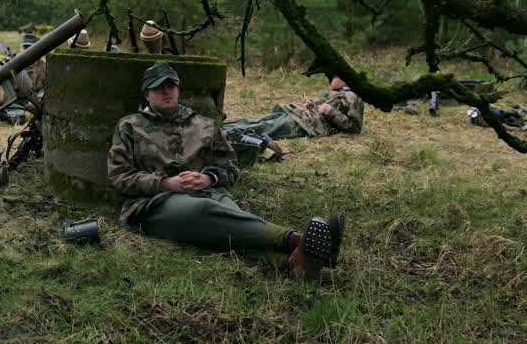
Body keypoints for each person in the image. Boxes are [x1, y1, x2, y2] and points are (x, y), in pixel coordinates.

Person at [107, 61, 345, 278]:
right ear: (146, 94)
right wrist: (166, 183)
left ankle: (293, 265)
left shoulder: (204, 125)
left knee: (227, 228)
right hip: (154, 205)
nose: (165, 91)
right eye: (158, 87)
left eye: (171, 86)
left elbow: (230, 169)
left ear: (179, 89)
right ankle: (295, 239)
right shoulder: (130, 126)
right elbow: (120, 176)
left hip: (210, 195)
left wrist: (208, 179)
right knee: (205, 210)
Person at [222, 76, 364, 141]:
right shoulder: (334, 93)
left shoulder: (353, 96)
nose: (332, 78)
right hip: (297, 113)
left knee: (264, 126)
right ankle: (218, 127)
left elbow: (355, 127)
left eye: (336, 75)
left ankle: (221, 132)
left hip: (306, 125)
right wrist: (311, 104)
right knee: (259, 120)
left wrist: (330, 111)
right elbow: (319, 107)